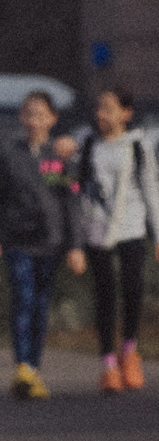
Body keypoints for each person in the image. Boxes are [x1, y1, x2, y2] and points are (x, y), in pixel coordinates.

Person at [0, 90, 77, 400]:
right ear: (20, 118)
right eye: (27, 113)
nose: (33, 120)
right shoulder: (8, 154)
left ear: (52, 118)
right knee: (23, 300)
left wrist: (74, 245)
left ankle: (33, 369)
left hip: (51, 243)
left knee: (41, 305)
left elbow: (71, 201)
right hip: (17, 241)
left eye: (40, 114)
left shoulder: (62, 156)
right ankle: (22, 366)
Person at [67, 87, 156, 395]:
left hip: (131, 225)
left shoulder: (138, 145)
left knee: (133, 289)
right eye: (98, 108)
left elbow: (151, 190)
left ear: (125, 113)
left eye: (108, 108)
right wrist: (58, 157)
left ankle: (129, 351)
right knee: (105, 294)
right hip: (96, 227)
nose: (100, 114)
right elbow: (66, 183)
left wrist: (158, 233)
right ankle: (108, 365)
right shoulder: (86, 144)